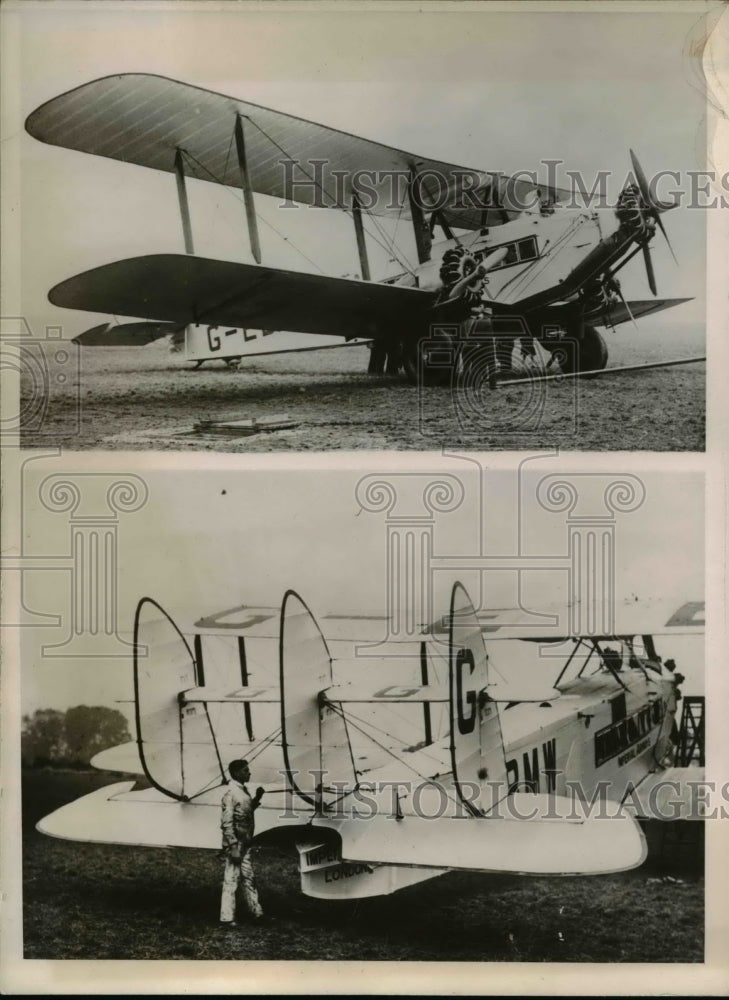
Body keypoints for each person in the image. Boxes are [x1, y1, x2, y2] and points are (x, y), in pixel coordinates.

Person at [219, 759, 264, 926]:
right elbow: (227, 823)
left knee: (249, 878)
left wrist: (257, 797)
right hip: (237, 845)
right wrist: (232, 847)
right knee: (231, 880)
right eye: (246, 771)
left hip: (245, 844)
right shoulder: (231, 794)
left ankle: (256, 913)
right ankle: (226, 918)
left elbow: (245, 811)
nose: (249, 773)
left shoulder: (242, 791)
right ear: (236, 773)